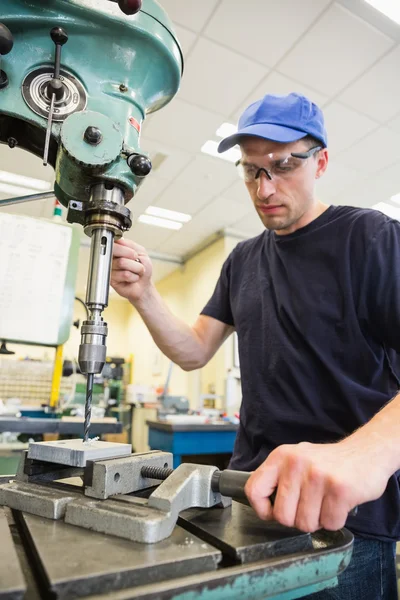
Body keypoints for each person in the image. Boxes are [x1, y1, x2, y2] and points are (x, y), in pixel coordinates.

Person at [111, 93, 400, 599]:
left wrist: (361, 457)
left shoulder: (371, 238)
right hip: (249, 498)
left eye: (282, 166)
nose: (264, 188)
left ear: (321, 162)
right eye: (250, 171)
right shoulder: (243, 260)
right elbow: (194, 350)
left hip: (345, 518)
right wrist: (145, 295)